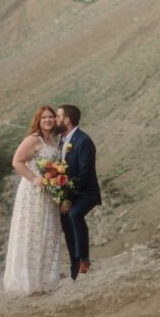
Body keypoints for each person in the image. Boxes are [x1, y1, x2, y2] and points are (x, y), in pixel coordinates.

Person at [2, 105, 63, 294]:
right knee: (31, 231)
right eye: (44, 117)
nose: (48, 120)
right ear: (38, 120)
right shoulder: (33, 139)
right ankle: (27, 281)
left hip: (49, 193)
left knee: (48, 231)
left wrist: (56, 181)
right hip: (33, 191)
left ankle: (45, 279)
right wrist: (34, 178)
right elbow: (16, 161)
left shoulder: (52, 141)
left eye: (51, 117)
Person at [56, 104, 101, 280]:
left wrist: (69, 198)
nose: (55, 120)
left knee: (74, 214)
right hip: (68, 191)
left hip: (86, 192)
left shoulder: (84, 141)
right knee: (65, 220)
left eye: (58, 116)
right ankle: (74, 262)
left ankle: (84, 259)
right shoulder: (62, 139)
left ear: (67, 120)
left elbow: (84, 174)